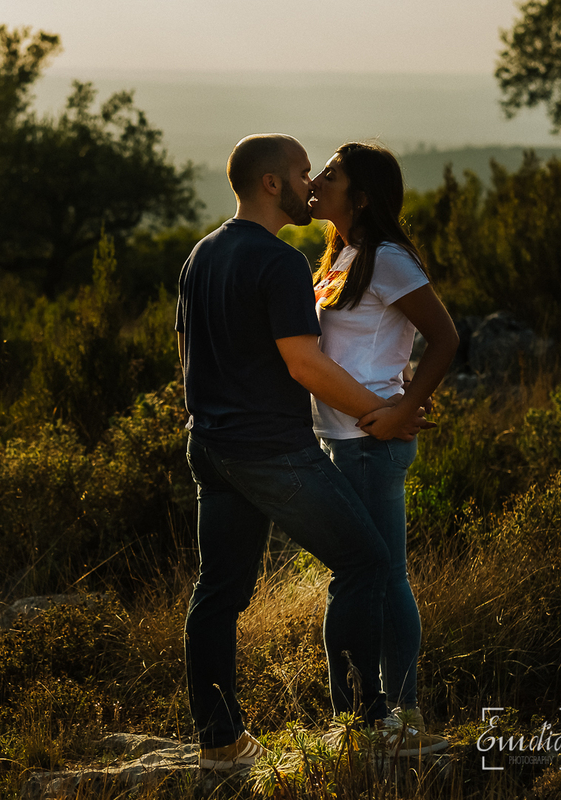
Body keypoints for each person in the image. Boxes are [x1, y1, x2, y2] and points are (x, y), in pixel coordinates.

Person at [176, 133, 429, 772]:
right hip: (271, 451)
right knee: (367, 561)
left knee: (220, 591)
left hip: (208, 444)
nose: (309, 182)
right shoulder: (282, 261)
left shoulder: (201, 254)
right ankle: (367, 724)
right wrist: (379, 414)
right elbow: (304, 363)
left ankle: (219, 741)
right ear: (271, 184)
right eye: (300, 172)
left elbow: (187, 356)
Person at [308, 142, 459, 741]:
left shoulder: (388, 258)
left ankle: (402, 713)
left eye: (332, 173)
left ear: (362, 196)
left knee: (381, 574)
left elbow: (445, 338)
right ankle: (361, 712)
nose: (316, 179)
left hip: (371, 442)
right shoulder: (342, 255)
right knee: (356, 574)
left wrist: (404, 409)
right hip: (342, 439)